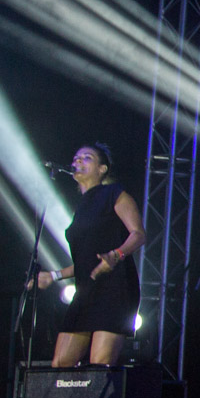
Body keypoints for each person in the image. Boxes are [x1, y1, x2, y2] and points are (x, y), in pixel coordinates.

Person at [32, 143, 144, 366]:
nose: (78, 161)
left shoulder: (114, 194)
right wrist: (53, 276)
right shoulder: (80, 209)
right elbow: (85, 263)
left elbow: (138, 234)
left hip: (115, 288)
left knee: (99, 365)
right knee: (60, 364)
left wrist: (116, 254)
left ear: (102, 169)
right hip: (86, 290)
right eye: (76, 158)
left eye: (87, 158)